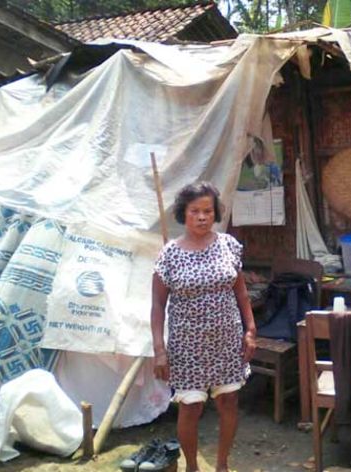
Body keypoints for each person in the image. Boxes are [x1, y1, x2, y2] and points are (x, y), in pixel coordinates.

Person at [151, 181, 257, 472]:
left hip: (226, 339)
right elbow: (158, 306)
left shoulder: (228, 246)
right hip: (187, 344)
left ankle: (222, 465)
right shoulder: (169, 255)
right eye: (195, 211)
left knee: (229, 401)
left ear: (216, 213)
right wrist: (159, 351)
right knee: (191, 406)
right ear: (183, 214)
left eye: (208, 211)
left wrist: (250, 330)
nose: (202, 217)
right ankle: (192, 467)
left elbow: (241, 293)